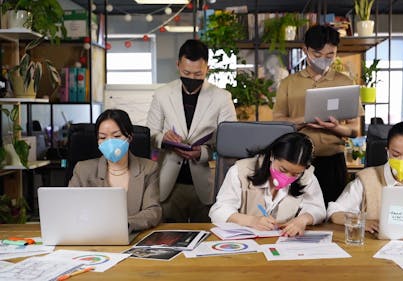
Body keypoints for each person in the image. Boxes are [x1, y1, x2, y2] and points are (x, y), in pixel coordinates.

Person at [147, 39, 237, 223]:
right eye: (186, 72)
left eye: (198, 74)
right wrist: (164, 139)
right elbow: (149, 133)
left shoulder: (222, 98)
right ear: (178, 65)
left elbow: (231, 142)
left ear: (207, 68)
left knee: (206, 237)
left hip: (207, 185)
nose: (192, 78)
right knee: (168, 238)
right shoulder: (162, 94)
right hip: (169, 183)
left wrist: (203, 152)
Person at [273, 24, 363, 205]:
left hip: (333, 161)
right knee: (294, 211)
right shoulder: (288, 83)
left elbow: (355, 130)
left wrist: (337, 128)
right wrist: (304, 120)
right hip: (295, 161)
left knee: (334, 212)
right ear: (305, 50)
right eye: (317, 55)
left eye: (330, 55)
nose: (324, 59)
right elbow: (277, 125)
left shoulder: (345, 82)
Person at [209, 132, 326, 237]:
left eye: (295, 174)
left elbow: (317, 208)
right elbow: (219, 210)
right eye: (283, 170)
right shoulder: (241, 171)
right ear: (272, 156)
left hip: (283, 243)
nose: (288, 177)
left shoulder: (306, 176)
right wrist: (251, 221)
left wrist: (302, 220)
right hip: (247, 244)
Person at [68, 109, 162, 232]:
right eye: (102, 137)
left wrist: (124, 225)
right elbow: (70, 208)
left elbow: (153, 211)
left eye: (117, 136)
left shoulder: (149, 168)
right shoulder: (83, 169)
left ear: (129, 137)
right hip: (92, 235)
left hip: (133, 236)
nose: (109, 142)